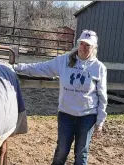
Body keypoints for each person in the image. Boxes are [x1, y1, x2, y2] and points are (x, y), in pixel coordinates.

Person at [13, 30, 107, 165]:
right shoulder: (64, 60)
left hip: (87, 117)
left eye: (88, 45)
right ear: (78, 44)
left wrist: (100, 121)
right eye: (82, 44)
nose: (84, 48)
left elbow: (102, 96)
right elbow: (42, 68)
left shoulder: (98, 68)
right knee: (61, 152)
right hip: (66, 115)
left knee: (81, 155)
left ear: (94, 48)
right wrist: (17, 68)